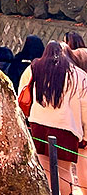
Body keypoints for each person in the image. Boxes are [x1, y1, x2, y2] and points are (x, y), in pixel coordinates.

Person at [19, 41, 87, 195]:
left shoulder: (33, 68)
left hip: (38, 124)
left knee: (45, 167)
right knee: (64, 170)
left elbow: (22, 92)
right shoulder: (79, 75)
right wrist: (85, 135)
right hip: (67, 128)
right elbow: (85, 107)